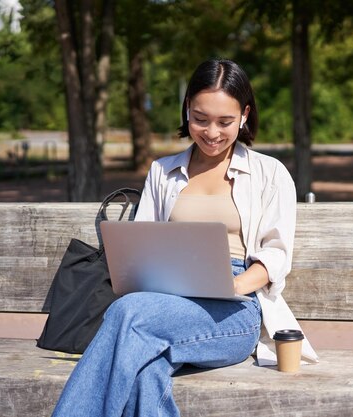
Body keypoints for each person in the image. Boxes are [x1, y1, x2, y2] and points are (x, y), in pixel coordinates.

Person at [51, 58, 318, 417]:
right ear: (186, 111)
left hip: (235, 309)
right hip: (164, 299)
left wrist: (233, 284)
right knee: (146, 368)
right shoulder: (163, 171)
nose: (211, 132)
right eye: (200, 118)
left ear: (244, 115)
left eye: (225, 121)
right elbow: (142, 245)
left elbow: (275, 256)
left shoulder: (269, 173)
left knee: (128, 314)